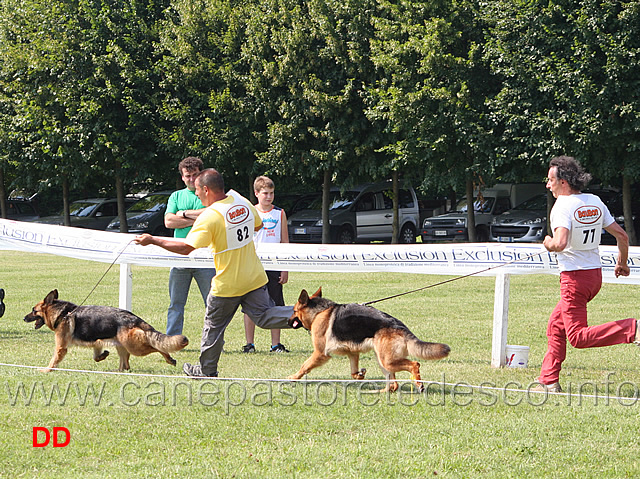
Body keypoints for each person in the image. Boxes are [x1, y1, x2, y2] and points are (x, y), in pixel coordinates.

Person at [133, 168, 294, 377]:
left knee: (213, 327)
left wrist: (153, 240)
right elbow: (258, 224)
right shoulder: (241, 200)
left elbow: (185, 248)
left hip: (227, 284)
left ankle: (206, 371)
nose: (197, 194)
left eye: (198, 190)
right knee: (265, 317)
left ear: (207, 189)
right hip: (254, 277)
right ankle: (308, 314)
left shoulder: (209, 216)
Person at [536, 155, 638, 392]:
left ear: (563, 182)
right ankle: (548, 381)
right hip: (594, 277)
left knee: (579, 338)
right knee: (555, 325)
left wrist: (548, 243)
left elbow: (560, 244)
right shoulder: (594, 201)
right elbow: (622, 236)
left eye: (551, 180)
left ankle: (633, 329)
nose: (547, 184)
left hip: (574, 279)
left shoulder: (561, 205)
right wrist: (622, 263)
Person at [163, 157, 216, 336]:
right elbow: (169, 221)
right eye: (188, 176)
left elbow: (211, 214)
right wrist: (197, 219)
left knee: (211, 303)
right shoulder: (176, 196)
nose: (192, 179)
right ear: (182, 177)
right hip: (179, 256)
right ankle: (171, 339)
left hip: (205, 256)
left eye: (195, 175)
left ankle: (212, 341)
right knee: (175, 304)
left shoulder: (209, 194)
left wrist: (184, 214)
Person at [242, 176, 290, 353]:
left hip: (274, 265)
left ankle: (275, 344)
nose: (269, 197)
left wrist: (284, 268)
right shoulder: (249, 212)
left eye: (271, 193)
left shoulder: (280, 213)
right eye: (265, 193)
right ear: (256, 194)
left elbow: (284, 241)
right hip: (253, 265)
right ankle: (250, 343)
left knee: (275, 304)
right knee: (249, 305)